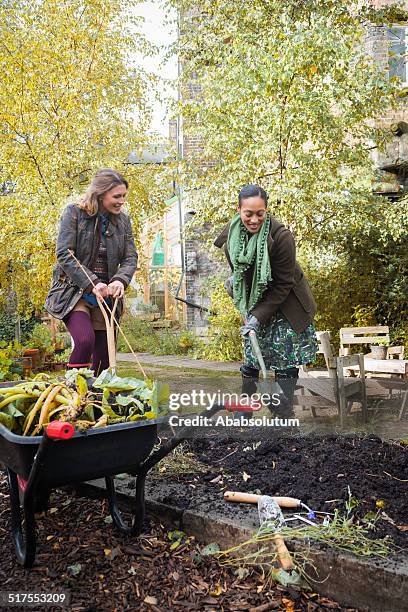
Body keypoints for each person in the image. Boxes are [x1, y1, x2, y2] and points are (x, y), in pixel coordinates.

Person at [214, 184, 318, 413]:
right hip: (254, 299)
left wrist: (257, 317)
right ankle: (245, 413)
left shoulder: (281, 238)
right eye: (248, 214)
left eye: (260, 214)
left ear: (266, 210)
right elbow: (239, 275)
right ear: (239, 210)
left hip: (287, 304)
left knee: (285, 357)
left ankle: (283, 415)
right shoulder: (232, 236)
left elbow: (283, 285)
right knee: (252, 356)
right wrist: (238, 295)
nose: (254, 220)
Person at [45, 168, 137, 373]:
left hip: (106, 296)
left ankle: (97, 403)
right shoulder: (74, 213)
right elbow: (65, 253)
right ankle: (73, 398)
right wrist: (93, 283)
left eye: (124, 196)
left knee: (104, 359)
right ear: (101, 194)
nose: (121, 201)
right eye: (117, 196)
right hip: (74, 290)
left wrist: (120, 280)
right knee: (85, 340)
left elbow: (130, 258)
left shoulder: (123, 222)